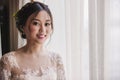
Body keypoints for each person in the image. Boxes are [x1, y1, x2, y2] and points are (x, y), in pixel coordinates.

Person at [0, 1, 66, 80]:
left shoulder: (56, 59)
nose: (43, 30)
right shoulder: (8, 61)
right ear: (22, 27)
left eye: (47, 24)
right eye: (36, 23)